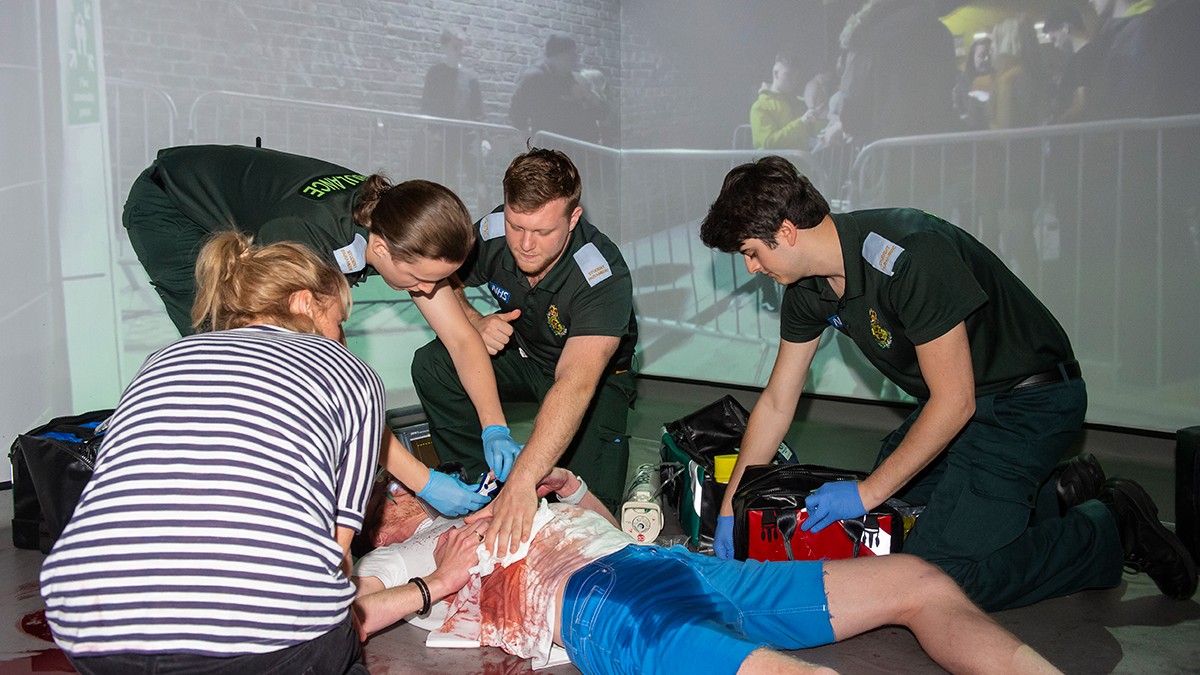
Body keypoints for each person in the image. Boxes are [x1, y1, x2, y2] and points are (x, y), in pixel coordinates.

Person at [697, 156, 1197, 610]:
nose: (751, 268)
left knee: (934, 579)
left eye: (751, 252)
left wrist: (867, 491)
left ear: (785, 231)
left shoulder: (909, 254)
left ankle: (1107, 529)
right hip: (970, 408)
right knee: (893, 521)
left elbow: (954, 402)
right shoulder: (808, 290)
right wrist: (731, 506)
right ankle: (1058, 493)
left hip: (1030, 402)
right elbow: (779, 400)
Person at [40, 233, 383, 673]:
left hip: (90, 622)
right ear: (303, 303)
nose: (341, 338)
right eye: (339, 322)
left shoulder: (163, 357)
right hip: (266, 636)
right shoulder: (352, 372)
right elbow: (338, 546)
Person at [351, 467, 1065, 675]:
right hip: (603, 602)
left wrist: (574, 493)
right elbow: (345, 615)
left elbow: (604, 528)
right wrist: (435, 585)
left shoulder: (479, 497)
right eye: (386, 487)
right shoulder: (398, 554)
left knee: (918, 580)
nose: (404, 484)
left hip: (663, 562)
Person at [122, 143, 511, 516]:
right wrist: (423, 481)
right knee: (235, 360)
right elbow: (339, 392)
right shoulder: (309, 245)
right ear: (381, 251)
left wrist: (494, 427)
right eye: (419, 280)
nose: (429, 291)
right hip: (172, 207)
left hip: (243, 206)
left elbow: (461, 339)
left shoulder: (397, 224)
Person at [412, 147, 638, 555]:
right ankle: (477, 487)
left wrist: (523, 484)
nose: (526, 245)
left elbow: (574, 384)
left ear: (573, 219)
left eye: (543, 232)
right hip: (523, 356)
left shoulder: (602, 275)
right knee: (434, 364)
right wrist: (475, 320)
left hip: (592, 382)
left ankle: (515, 491)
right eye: (518, 227)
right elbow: (440, 273)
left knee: (589, 527)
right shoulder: (497, 230)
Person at [508, 33, 610, 143]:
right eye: (570, 54)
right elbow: (517, 112)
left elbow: (601, 112)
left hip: (578, 148)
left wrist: (592, 98)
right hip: (550, 148)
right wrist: (527, 141)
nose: (575, 58)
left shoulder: (575, 79)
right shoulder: (535, 77)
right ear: (557, 55)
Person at [749, 52, 819, 152]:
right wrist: (802, 122)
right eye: (789, 75)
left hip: (799, 166)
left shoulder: (800, 103)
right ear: (775, 74)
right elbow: (768, 143)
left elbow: (808, 137)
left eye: (796, 77)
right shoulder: (760, 107)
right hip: (774, 167)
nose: (794, 81)